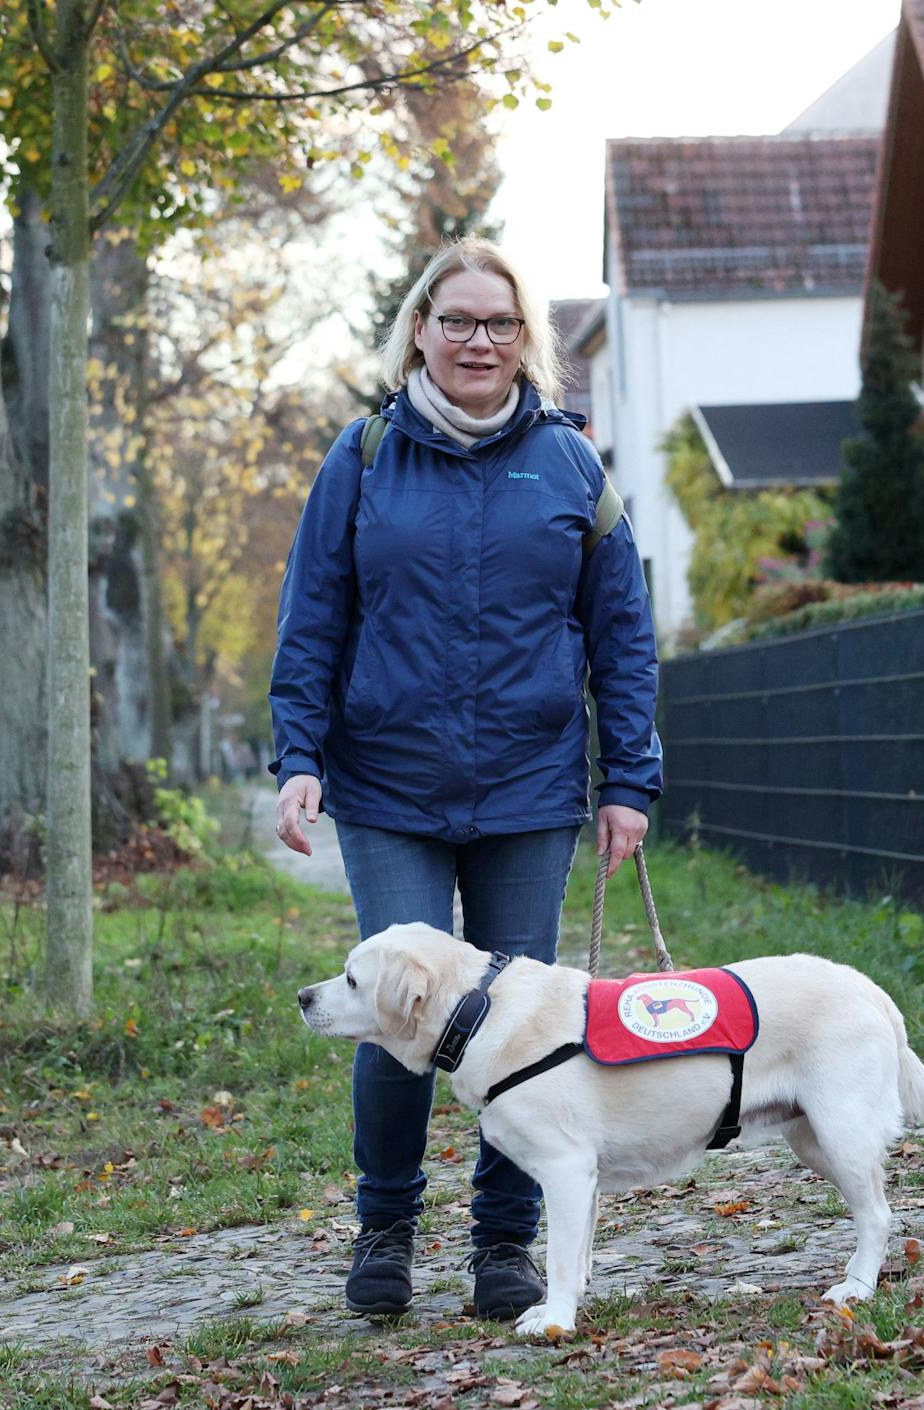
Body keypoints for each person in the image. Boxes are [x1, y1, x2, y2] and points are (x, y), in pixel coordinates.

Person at [268, 237, 663, 1323]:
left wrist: (628, 777)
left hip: (528, 792)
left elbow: (621, 632)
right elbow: (313, 619)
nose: (478, 341)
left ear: (524, 338)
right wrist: (298, 756)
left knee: (522, 1025)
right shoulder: (361, 456)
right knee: (397, 1011)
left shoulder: (571, 466)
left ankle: (504, 1246)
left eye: (499, 323)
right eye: (457, 321)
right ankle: (385, 1231)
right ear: (421, 332)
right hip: (388, 784)